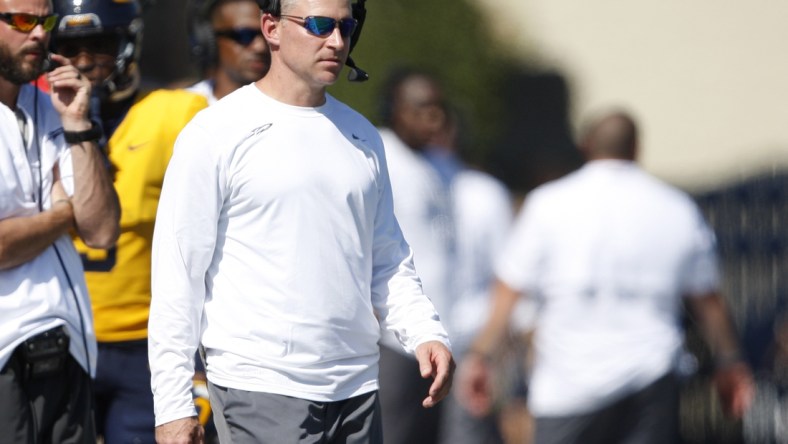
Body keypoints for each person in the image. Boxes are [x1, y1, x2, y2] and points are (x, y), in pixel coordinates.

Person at [148, 0, 454, 443]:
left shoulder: (363, 136)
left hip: (358, 390)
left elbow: (388, 260)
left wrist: (426, 333)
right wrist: (172, 406)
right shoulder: (214, 132)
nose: (336, 40)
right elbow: (178, 277)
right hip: (260, 387)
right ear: (271, 28)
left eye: (346, 27)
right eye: (318, 25)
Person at [456, 109, 755, 444]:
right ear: (637, 148)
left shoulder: (548, 204)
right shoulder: (676, 207)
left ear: (586, 145)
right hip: (649, 374)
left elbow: (508, 290)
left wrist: (481, 356)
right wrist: (730, 360)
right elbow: (708, 299)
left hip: (567, 381)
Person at [51, 0, 210, 442]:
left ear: (128, 41)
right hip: (61, 339)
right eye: (69, 47)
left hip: (146, 344)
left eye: (99, 45)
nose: (83, 62)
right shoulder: (39, 117)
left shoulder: (175, 114)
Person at [0, 0, 121, 441]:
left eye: (45, 20)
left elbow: (102, 230)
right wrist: (62, 215)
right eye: (19, 20)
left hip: (68, 346)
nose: (37, 33)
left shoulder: (57, 106)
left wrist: (77, 124)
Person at [424, 104, 516, 444]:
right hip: (417, 344)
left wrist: (491, 349)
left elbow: (506, 275)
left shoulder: (483, 192)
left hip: (468, 343)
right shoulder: (396, 185)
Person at [376, 67, 455, 444]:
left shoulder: (435, 164)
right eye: (421, 108)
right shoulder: (380, 155)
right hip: (392, 340)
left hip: (432, 335)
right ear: (394, 109)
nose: (433, 118)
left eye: (438, 108)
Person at [187, 0, 270, 104]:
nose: (261, 47)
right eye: (245, 35)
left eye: (267, 35)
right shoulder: (176, 111)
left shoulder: (289, 109)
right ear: (209, 40)